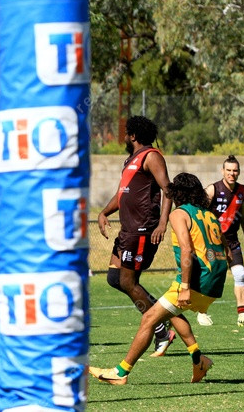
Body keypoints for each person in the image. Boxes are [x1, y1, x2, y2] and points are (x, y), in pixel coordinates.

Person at [90, 173, 230, 385]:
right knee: (172, 313)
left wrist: (185, 286)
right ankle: (198, 360)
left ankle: (120, 373)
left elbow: (186, 250)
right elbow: (226, 251)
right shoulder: (209, 215)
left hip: (195, 282)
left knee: (149, 318)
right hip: (215, 283)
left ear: (177, 193)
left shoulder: (180, 214)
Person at [97, 116, 175, 357]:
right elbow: (123, 193)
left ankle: (160, 329)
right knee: (114, 278)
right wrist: (104, 212)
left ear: (133, 135)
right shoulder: (131, 160)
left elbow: (168, 190)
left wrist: (162, 223)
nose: (124, 137)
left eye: (126, 133)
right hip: (127, 230)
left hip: (142, 230)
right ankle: (160, 317)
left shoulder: (151, 156)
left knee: (128, 282)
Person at [196, 155, 244, 327]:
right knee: (211, 276)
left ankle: (242, 314)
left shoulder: (242, 190)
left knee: (240, 274)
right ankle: (201, 312)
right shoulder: (212, 189)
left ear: (239, 172)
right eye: (229, 170)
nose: (232, 173)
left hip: (232, 241)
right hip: (212, 241)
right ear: (223, 171)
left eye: (235, 170)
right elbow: (199, 213)